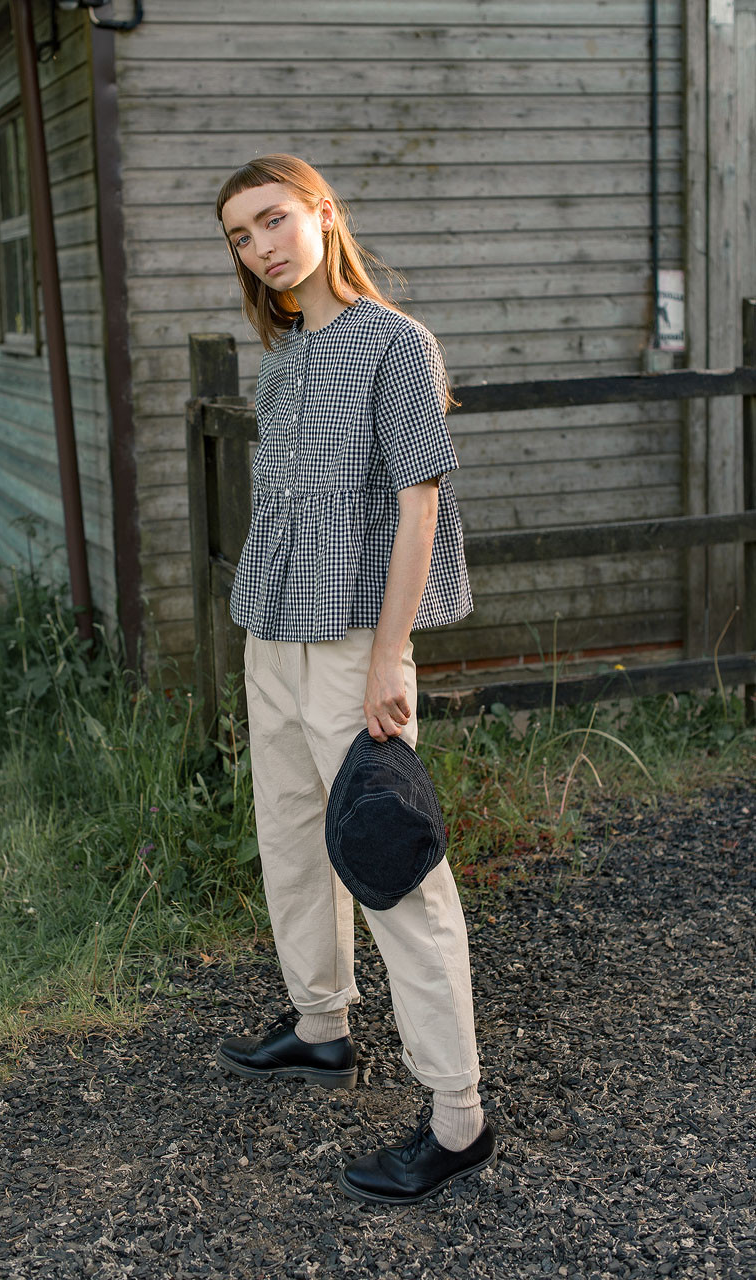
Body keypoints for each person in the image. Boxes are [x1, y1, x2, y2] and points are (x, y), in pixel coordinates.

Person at [213, 155, 496, 1205]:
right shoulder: (280, 357)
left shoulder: (394, 343)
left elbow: (418, 503)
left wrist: (389, 654)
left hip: (351, 646)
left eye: (274, 219)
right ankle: (321, 1021)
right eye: (241, 235)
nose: (262, 246)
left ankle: (457, 1114)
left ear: (322, 214)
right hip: (271, 636)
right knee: (290, 834)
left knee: (391, 864)